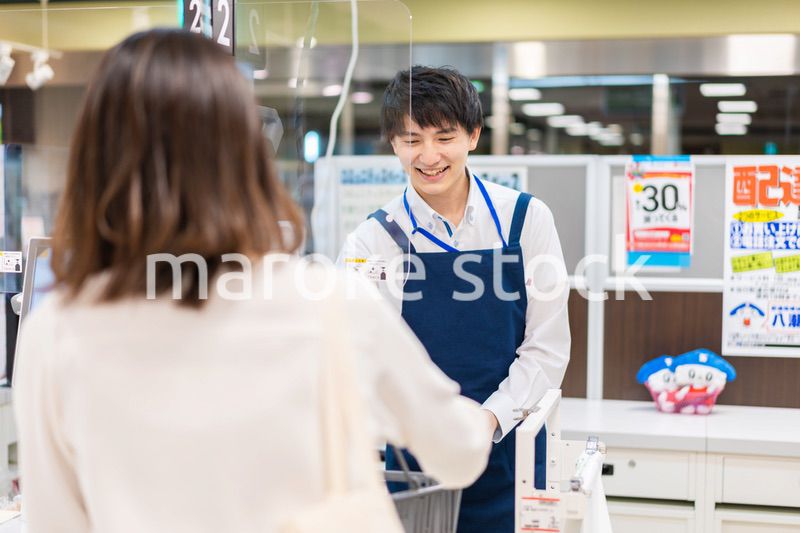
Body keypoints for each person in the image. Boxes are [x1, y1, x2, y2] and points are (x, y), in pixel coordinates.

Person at [13, 30, 491, 533]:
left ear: (94, 157)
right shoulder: (331, 305)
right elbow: (459, 452)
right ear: (245, 151)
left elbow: (55, 521)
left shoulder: (56, 332)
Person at [340, 66, 571, 533]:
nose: (429, 156)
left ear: (473, 135)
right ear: (393, 144)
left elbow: (547, 349)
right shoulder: (372, 241)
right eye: (412, 139)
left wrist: (487, 420)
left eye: (444, 137)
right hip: (416, 470)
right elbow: (355, 359)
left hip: (512, 457)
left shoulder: (525, 220)